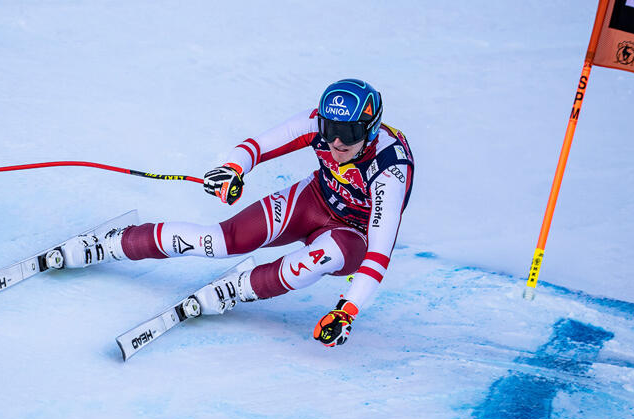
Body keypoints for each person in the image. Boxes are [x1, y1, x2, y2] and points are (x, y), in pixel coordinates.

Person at [47, 78, 414, 347]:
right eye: (330, 129)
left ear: (371, 130)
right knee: (218, 240)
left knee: (313, 261)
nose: (335, 142)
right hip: (314, 201)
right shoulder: (319, 125)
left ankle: (238, 290)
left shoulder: (389, 170)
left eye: (348, 133)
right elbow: (258, 145)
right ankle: (112, 244)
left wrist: (346, 311)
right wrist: (232, 170)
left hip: (353, 236)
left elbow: (379, 255)